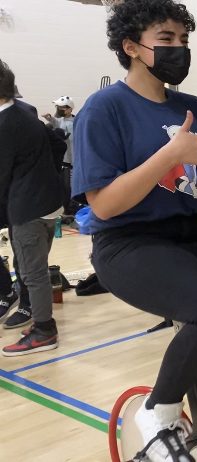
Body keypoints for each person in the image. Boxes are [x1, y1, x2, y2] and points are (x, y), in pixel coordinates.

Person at [71, 2, 197, 461]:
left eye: (183, 39)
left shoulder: (193, 107)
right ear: (130, 46)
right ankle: (158, 413)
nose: (178, 48)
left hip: (194, 235)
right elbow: (103, 204)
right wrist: (169, 154)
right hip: (130, 243)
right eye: (166, 39)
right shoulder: (104, 109)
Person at [0, 59, 65, 355]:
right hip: (49, 204)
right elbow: (58, 145)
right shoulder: (26, 113)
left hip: (28, 208)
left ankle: (44, 331)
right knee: (33, 268)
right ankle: (39, 321)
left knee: (32, 273)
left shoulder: (5, 125)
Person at [44, 96, 83, 216]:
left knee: (71, 185)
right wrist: (49, 118)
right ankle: (65, 207)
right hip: (63, 160)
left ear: (69, 109)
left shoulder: (76, 122)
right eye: (58, 107)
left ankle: (73, 208)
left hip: (73, 160)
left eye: (62, 108)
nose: (59, 109)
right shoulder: (60, 120)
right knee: (63, 186)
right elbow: (55, 122)